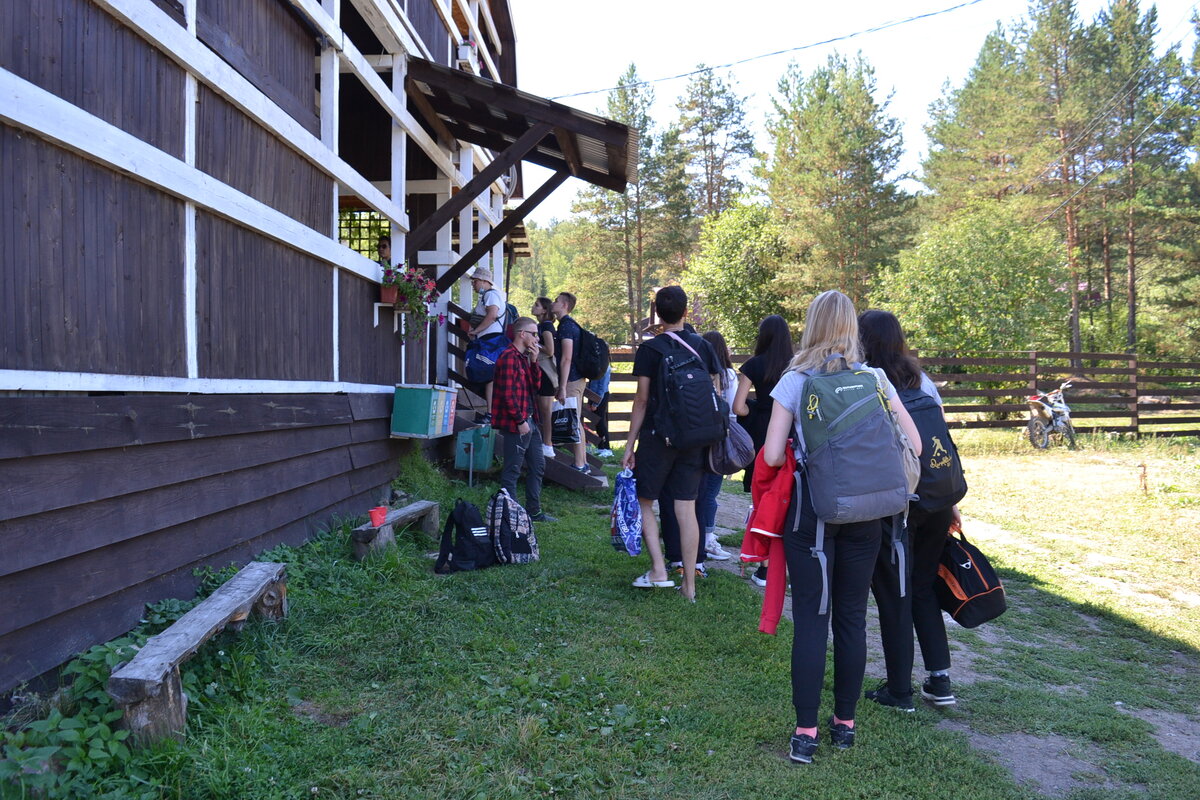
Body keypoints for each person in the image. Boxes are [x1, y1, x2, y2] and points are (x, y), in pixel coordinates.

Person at [762, 290, 921, 763]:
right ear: (852, 328)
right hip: (868, 512)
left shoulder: (796, 380)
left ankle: (805, 731)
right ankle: (845, 725)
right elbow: (911, 442)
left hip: (813, 514)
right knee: (852, 617)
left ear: (811, 325)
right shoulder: (874, 379)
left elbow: (771, 455)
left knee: (813, 619)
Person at [858, 309, 961, 711]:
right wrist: (951, 503)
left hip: (896, 501)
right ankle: (939, 678)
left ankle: (899, 690)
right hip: (936, 498)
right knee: (921, 589)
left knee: (892, 593)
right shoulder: (922, 381)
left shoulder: (866, 383)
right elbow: (943, 442)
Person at [621, 286, 721, 603]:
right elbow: (714, 392)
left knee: (645, 500)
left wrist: (628, 445)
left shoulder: (650, 350)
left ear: (657, 313)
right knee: (686, 508)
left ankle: (658, 571)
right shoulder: (703, 346)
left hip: (656, 436)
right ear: (686, 312)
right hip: (694, 437)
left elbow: (641, 401)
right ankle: (689, 586)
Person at [733, 315, 794, 585]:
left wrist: (755, 409)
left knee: (764, 498)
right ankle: (789, 566)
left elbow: (738, 407)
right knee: (790, 497)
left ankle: (765, 566)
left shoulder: (754, 365)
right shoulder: (797, 365)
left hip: (764, 434)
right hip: (792, 432)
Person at [491, 317, 554, 523]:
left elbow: (534, 388)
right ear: (522, 334)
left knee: (538, 466)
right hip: (517, 423)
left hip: (531, 419)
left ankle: (534, 512)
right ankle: (512, 516)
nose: (537, 338)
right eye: (534, 333)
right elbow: (507, 394)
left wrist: (534, 362)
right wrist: (520, 421)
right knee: (512, 470)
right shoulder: (508, 357)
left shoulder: (523, 357)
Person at [698, 330, 737, 561]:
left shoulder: (700, 372)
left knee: (699, 489)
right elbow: (733, 411)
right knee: (712, 491)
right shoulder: (729, 375)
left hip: (700, 435)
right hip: (722, 437)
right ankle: (708, 538)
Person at [551, 292, 589, 472]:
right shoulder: (568, 325)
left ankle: (581, 464)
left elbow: (566, 358)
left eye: (556, 301)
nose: (553, 303)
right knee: (576, 421)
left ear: (565, 305)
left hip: (572, 380)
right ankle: (582, 462)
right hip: (576, 379)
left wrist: (563, 387)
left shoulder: (566, 327)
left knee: (574, 422)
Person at [468, 267, 506, 419]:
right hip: (492, 341)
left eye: (475, 281)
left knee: (489, 377)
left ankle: (491, 413)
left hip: (490, 341)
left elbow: (491, 315)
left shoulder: (490, 295)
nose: (473, 284)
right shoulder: (491, 295)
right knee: (489, 377)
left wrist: (476, 332)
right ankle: (492, 412)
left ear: (484, 282)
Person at [532, 298, 558, 459]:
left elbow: (550, 350)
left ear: (544, 310)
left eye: (536, 305)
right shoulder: (540, 326)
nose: (533, 307)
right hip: (539, 370)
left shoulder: (547, 326)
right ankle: (542, 442)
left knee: (546, 410)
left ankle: (548, 444)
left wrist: (535, 344)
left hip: (546, 372)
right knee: (541, 410)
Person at [585, 365, 613, 458]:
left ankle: (607, 448)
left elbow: (602, 388)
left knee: (600, 422)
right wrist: (590, 401)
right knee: (597, 422)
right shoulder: (598, 366)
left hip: (601, 396)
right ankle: (601, 447)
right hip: (594, 395)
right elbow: (591, 383)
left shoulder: (605, 368)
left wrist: (595, 404)